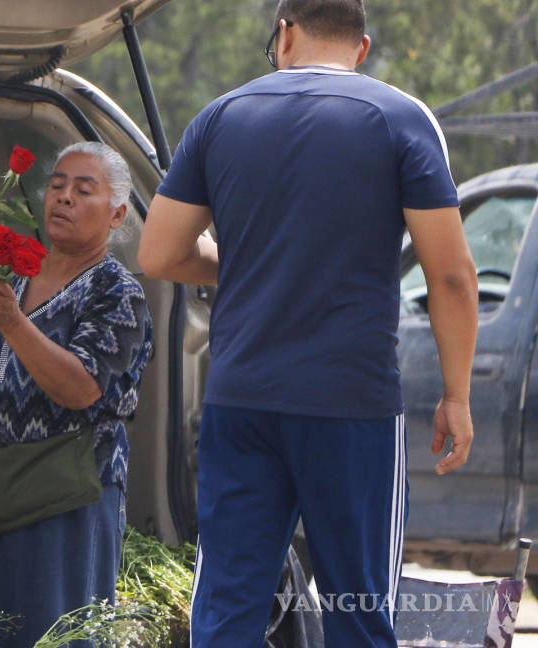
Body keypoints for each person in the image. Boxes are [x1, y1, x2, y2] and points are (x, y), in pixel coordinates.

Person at [137, 1, 479, 646]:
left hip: (242, 399)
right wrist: (455, 396)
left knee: (229, 606)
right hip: (351, 404)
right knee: (357, 602)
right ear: (362, 47)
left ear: (284, 33)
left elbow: (159, 254)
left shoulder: (221, 116)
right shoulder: (399, 117)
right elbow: (454, 277)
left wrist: (253, 267)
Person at [0, 142, 154, 647]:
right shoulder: (6, 277)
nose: (64, 197)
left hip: (66, 497)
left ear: (116, 214)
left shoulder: (117, 294)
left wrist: (12, 323)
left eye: (83, 190)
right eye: (59, 185)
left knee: (54, 633)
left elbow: (81, 389)